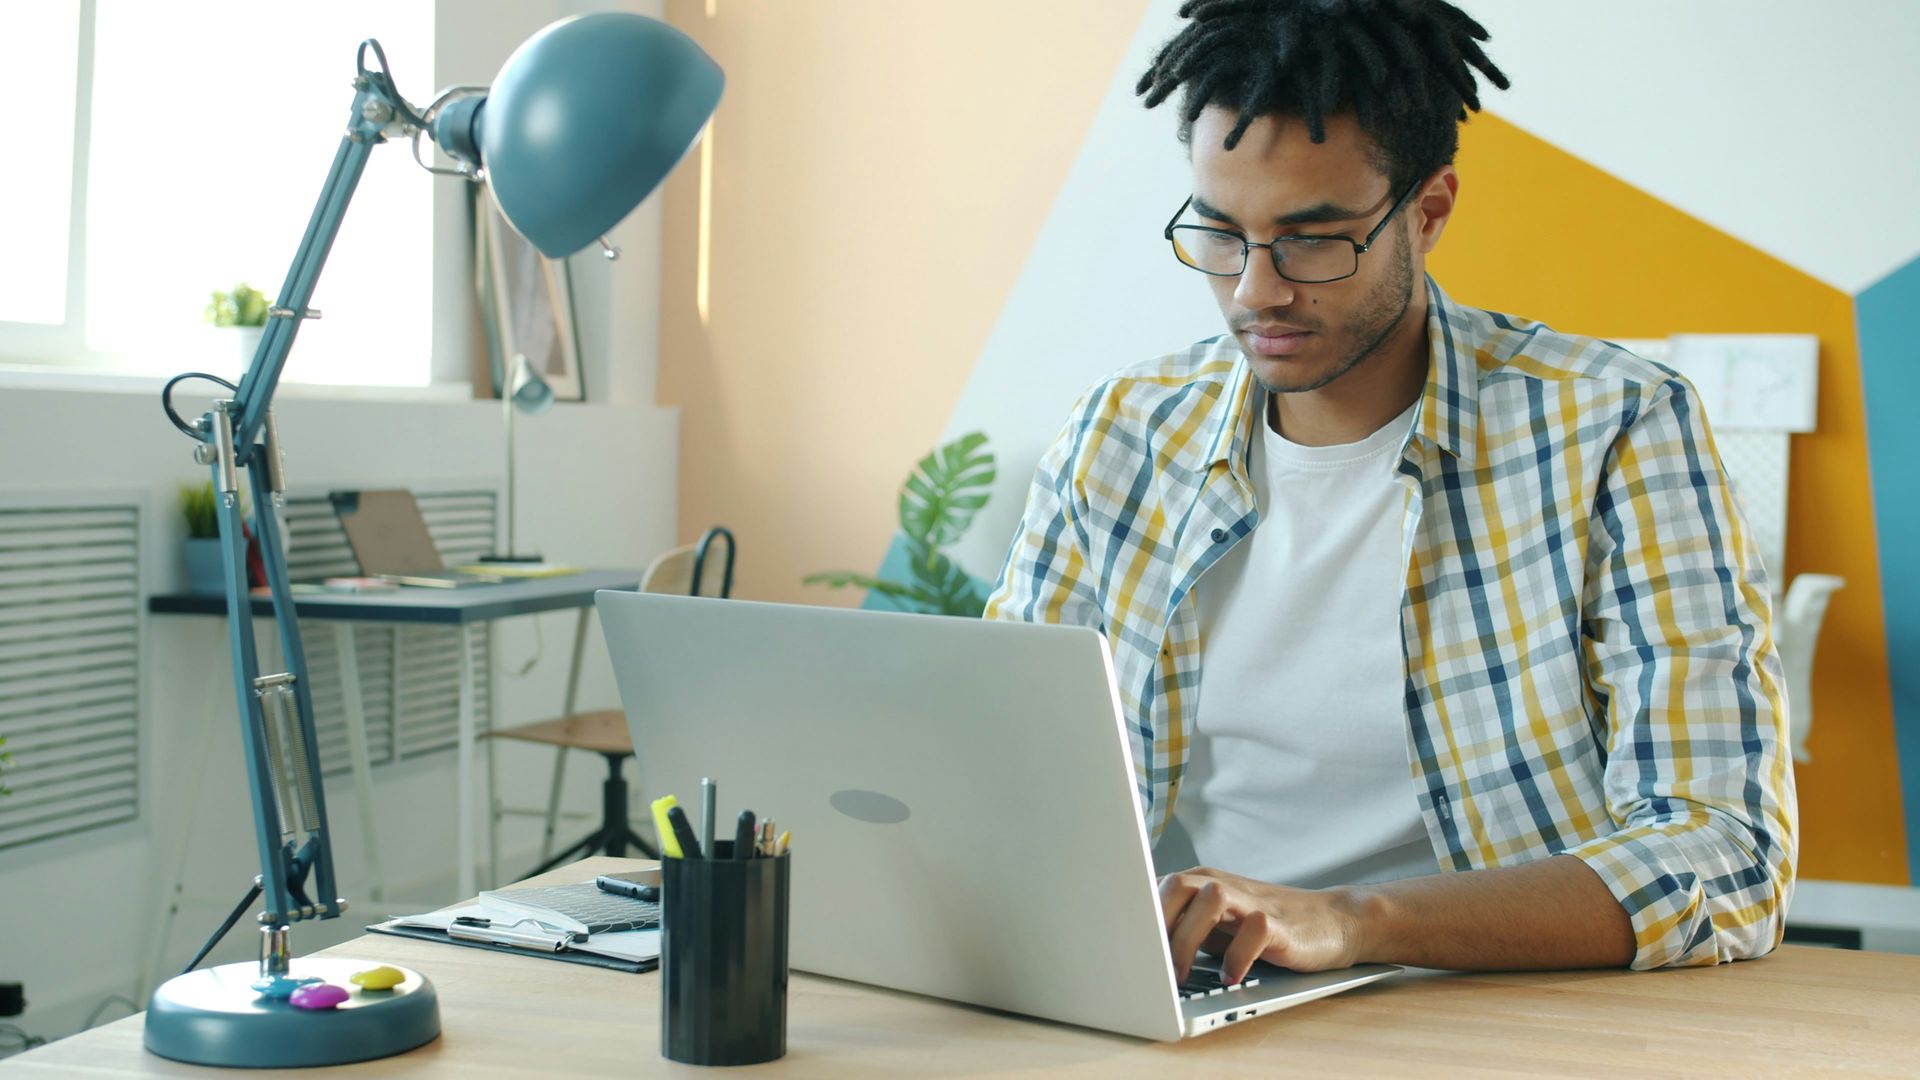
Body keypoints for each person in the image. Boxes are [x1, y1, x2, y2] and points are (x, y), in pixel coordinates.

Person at [985, 0, 1794, 986]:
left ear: (1429, 211)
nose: (1256, 291)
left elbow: (1724, 856)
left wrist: (1350, 920)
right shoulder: (1121, 440)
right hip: (1225, 1001)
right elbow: (1011, 780)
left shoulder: (1614, 427)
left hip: (1514, 1013)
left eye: (1313, 240)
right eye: (1221, 233)